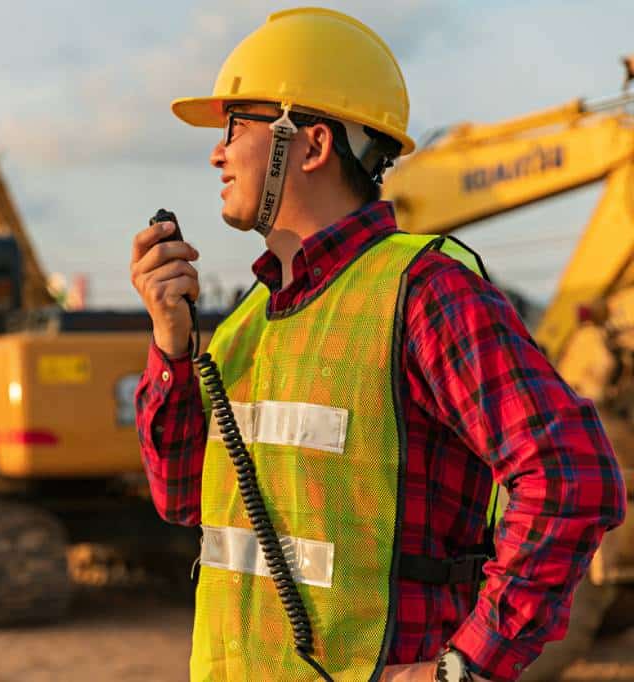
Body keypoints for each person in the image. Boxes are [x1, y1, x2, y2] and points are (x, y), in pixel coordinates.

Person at [128, 8, 626, 682]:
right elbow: (185, 501)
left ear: (311, 145)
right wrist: (171, 348)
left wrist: (463, 669)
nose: (217, 152)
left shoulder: (426, 293)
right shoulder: (248, 320)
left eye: (235, 126)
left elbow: (573, 481)